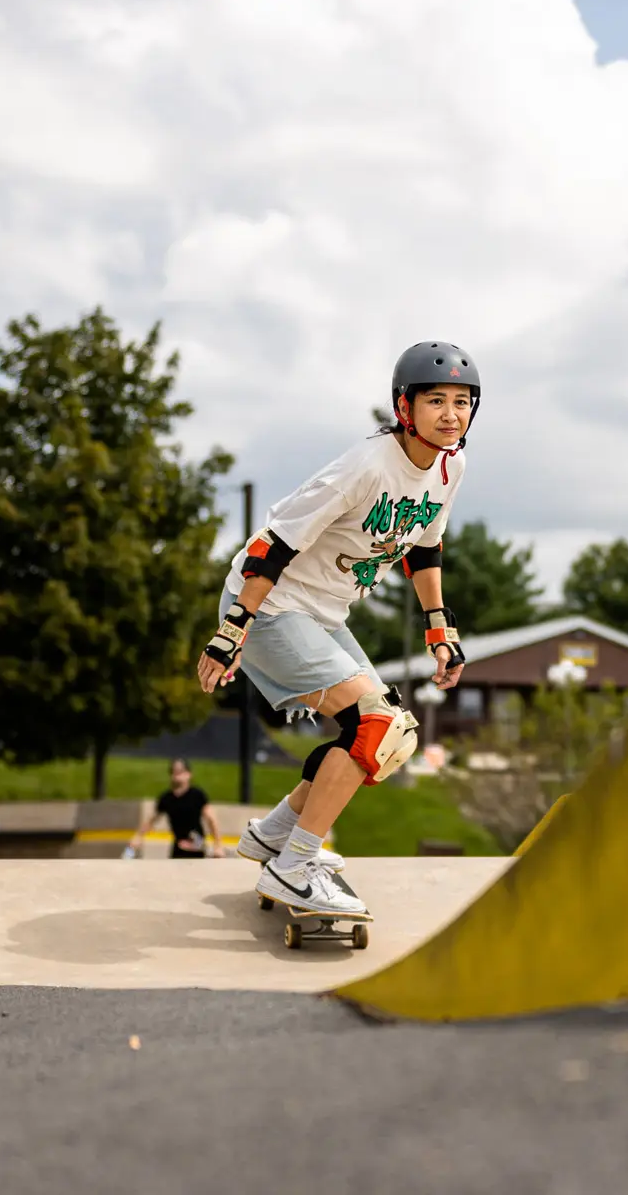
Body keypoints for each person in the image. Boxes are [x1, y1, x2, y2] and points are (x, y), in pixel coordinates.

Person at [197, 341, 473, 918]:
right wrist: (233, 629)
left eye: (463, 402)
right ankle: (296, 864)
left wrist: (439, 628)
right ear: (405, 407)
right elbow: (273, 544)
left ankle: (275, 837)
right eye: (437, 401)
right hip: (271, 605)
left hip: (322, 613)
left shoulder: (450, 466)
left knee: (394, 737)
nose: (451, 415)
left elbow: (424, 546)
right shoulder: (366, 467)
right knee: (372, 724)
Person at [126, 757, 223, 859]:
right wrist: (138, 837)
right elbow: (151, 820)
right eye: (174, 771)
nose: (177, 775)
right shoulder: (167, 798)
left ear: (189, 774)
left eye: (181, 771)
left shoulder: (197, 795)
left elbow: (211, 819)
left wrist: (218, 845)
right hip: (178, 846)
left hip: (196, 847)